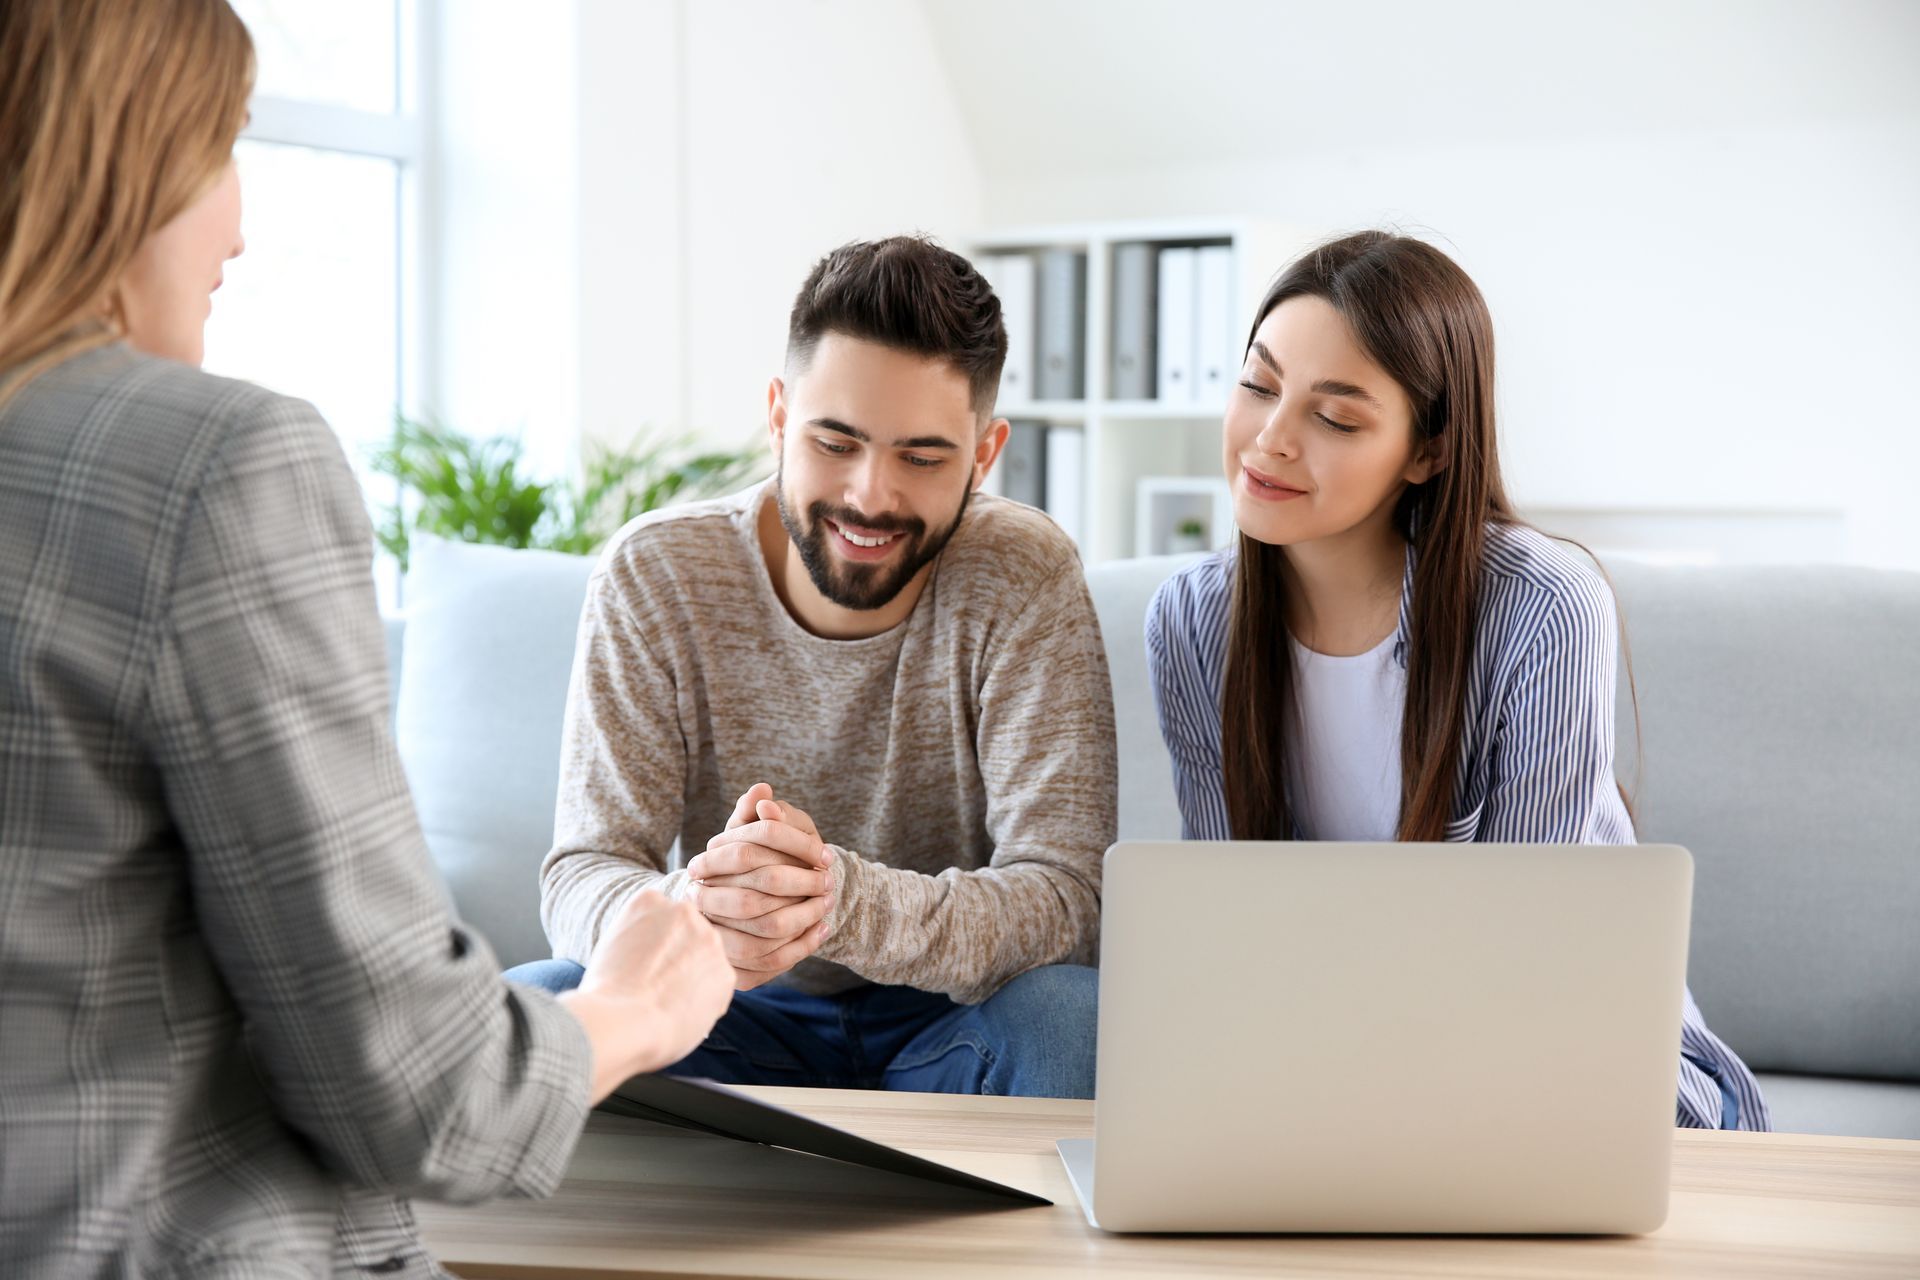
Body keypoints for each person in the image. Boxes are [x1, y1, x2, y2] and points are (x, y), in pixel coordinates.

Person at [0, 3, 735, 1276]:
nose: (240, 224)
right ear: (121, 158)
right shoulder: (213, 466)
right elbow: (419, 1088)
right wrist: (641, 1002)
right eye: (222, 148)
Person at [1145, 230, 1770, 1131]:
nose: (1269, 440)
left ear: (1428, 450)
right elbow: (1223, 928)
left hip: (1567, 1056)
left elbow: (1525, 963)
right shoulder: (1195, 620)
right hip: (1328, 1061)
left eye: (1335, 417)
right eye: (1258, 384)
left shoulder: (1544, 609)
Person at [508, 236, 1116, 1099]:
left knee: (1072, 1017)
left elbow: (1066, 900)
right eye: (836, 441)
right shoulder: (658, 574)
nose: (871, 495)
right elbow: (585, 869)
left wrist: (838, 902)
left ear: (985, 455)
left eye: (922, 457)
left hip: (950, 1023)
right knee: (539, 1005)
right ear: (779, 414)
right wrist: (708, 912)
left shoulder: (1025, 573)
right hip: (718, 1008)